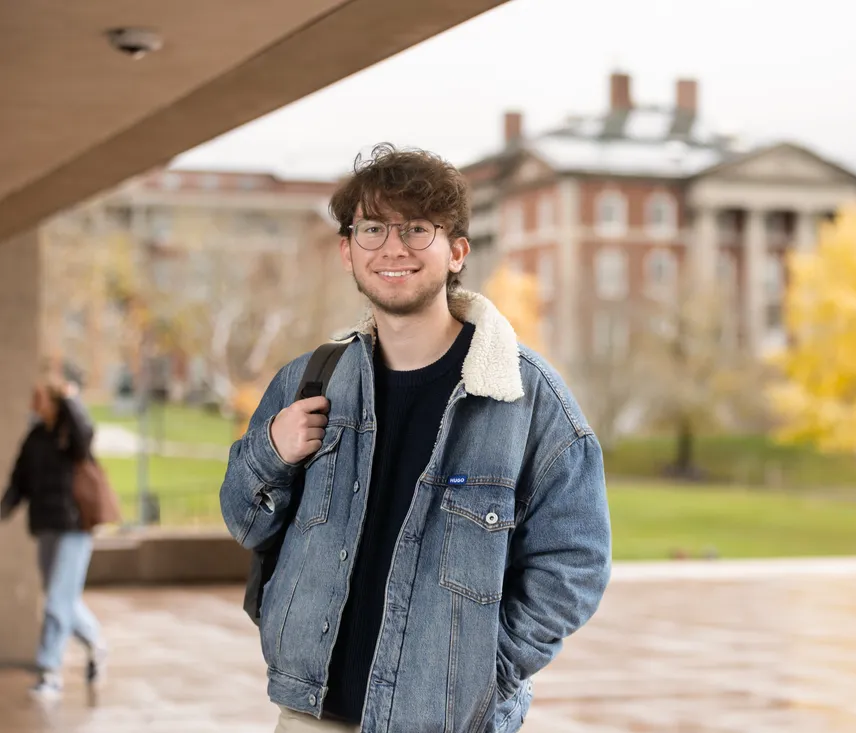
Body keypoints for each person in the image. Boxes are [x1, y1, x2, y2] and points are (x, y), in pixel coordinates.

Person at [220, 144, 612, 733]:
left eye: (416, 229)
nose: (392, 247)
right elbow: (245, 523)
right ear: (347, 252)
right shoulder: (308, 382)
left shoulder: (528, 400)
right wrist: (269, 453)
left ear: (456, 251)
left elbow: (575, 563)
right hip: (308, 711)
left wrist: (491, 668)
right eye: (372, 228)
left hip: (443, 720)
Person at [1, 376, 107, 700]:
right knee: (61, 598)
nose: (34, 402)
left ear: (53, 400)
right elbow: (19, 482)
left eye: (40, 396)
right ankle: (96, 643)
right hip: (46, 527)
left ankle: (49, 672)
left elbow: (86, 435)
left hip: (74, 527)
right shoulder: (35, 438)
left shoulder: (70, 433)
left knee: (57, 601)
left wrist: (71, 399)